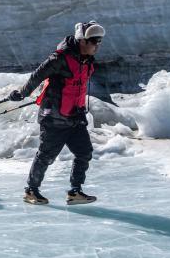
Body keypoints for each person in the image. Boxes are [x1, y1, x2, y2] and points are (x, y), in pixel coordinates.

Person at [7, 21, 111, 205]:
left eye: (99, 41)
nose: (97, 45)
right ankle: (31, 191)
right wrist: (22, 93)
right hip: (54, 117)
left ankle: (75, 192)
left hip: (75, 116)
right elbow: (37, 76)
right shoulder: (60, 58)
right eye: (94, 41)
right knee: (46, 156)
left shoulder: (86, 61)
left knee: (84, 152)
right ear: (82, 40)